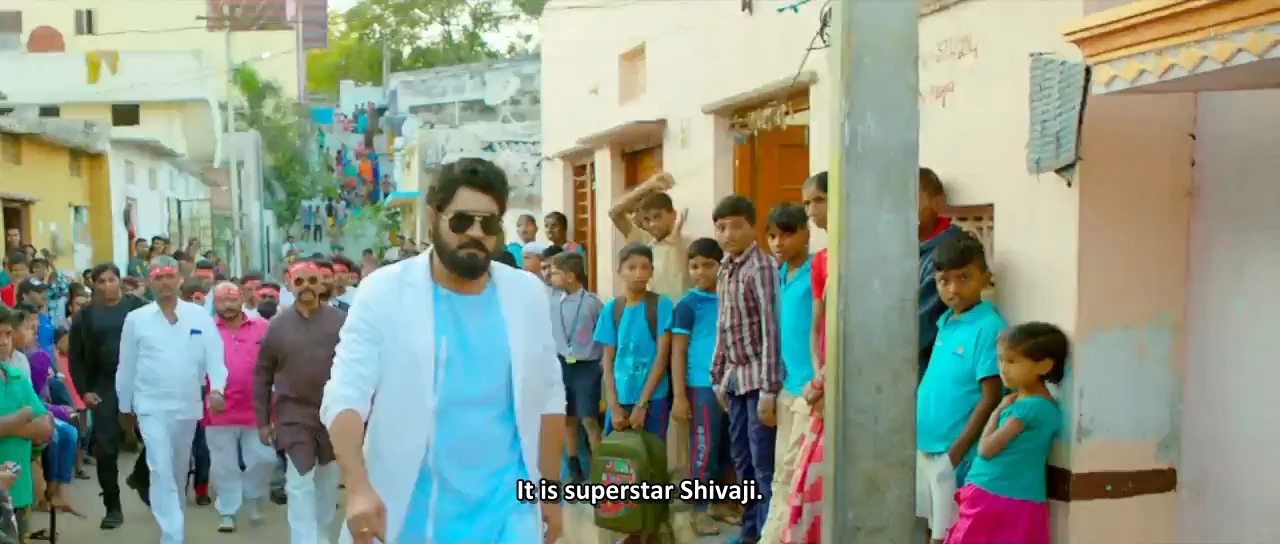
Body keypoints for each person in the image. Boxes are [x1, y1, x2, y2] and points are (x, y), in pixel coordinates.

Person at [322, 158, 565, 544]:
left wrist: (550, 491)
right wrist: (357, 485)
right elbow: (346, 395)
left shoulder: (526, 294)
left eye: (488, 224)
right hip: (413, 516)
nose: (476, 233)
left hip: (509, 516)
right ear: (433, 217)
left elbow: (550, 396)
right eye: (462, 221)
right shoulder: (384, 293)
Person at [118, 257, 229, 544]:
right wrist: (124, 407)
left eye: (169, 277)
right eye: (158, 278)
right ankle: (172, 535)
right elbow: (126, 366)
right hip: (150, 405)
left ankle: (174, 519)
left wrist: (217, 389)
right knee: (159, 466)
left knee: (178, 470)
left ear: (179, 279)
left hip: (187, 405)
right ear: (150, 282)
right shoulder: (137, 319)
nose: (165, 283)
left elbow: (215, 357)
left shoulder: (198, 316)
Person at [915, 233, 1004, 544]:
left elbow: (991, 397)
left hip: (955, 455)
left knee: (951, 535)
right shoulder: (946, 322)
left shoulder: (988, 327)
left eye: (964, 278)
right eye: (944, 281)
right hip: (927, 447)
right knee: (931, 528)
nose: (953, 289)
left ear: (985, 276)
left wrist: (955, 453)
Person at [946, 322, 1067, 544]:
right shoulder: (1043, 406)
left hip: (993, 495)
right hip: (1020, 496)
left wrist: (997, 411)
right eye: (1000, 359)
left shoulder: (1026, 409)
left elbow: (986, 450)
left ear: (1044, 366)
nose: (1003, 368)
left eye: (1012, 361)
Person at [256, 259, 346, 544]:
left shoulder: (341, 322)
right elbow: (262, 374)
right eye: (299, 281)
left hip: (332, 412)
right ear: (289, 286)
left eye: (312, 281)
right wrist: (262, 422)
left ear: (321, 285)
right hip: (292, 414)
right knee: (299, 480)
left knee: (328, 479)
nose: (306, 287)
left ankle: (320, 534)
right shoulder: (277, 326)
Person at [710, 195, 781, 544]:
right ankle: (749, 530)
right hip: (734, 379)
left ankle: (766, 533)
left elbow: (771, 327)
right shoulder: (724, 268)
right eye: (721, 227)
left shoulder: (762, 267)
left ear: (753, 227)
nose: (729, 234)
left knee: (762, 462)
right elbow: (723, 325)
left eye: (737, 226)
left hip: (758, 380)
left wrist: (769, 389)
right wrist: (717, 377)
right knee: (741, 460)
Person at [67, 263, 150, 529]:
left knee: (156, 439)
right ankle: (112, 507)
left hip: (141, 381)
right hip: (104, 385)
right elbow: (76, 358)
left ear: (119, 281)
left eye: (111, 280)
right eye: (100, 281)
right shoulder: (85, 316)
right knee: (106, 448)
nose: (106, 286)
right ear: (93, 285)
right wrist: (84, 391)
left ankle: (141, 477)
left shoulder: (140, 308)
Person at [759, 202, 816, 543]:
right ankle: (775, 535)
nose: (778, 243)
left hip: (810, 390)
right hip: (787, 387)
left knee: (797, 471)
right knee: (783, 470)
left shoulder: (817, 272)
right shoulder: (780, 275)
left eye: (787, 235)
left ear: (806, 234)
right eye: (772, 236)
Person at [784, 171, 831, 544]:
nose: (812, 210)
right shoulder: (822, 263)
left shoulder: (862, 256)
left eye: (818, 200)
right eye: (807, 202)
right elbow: (817, 330)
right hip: (821, 388)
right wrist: (820, 378)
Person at [205, 282, 274, 532]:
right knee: (223, 464)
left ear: (241, 299)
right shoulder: (205, 329)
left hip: (257, 406)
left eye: (232, 299)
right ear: (214, 303)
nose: (228, 305)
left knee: (263, 458)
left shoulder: (262, 326)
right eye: (222, 300)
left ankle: (254, 497)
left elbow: (275, 361)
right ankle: (228, 510)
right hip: (218, 408)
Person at [670, 237, 726, 536]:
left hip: (732, 384)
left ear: (721, 265)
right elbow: (677, 351)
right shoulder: (688, 305)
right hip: (701, 385)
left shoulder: (730, 296)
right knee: (703, 448)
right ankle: (699, 509)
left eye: (708, 265)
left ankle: (719, 503)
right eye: (694, 266)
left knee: (727, 448)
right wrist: (680, 396)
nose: (700, 272)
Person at [595, 242, 674, 437]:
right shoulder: (612, 308)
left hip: (654, 398)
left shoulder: (661, 304)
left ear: (652, 271)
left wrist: (642, 404)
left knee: (651, 452)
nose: (639, 273)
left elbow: (662, 357)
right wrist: (613, 405)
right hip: (620, 398)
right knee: (618, 454)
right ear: (619, 271)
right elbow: (608, 360)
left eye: (645, 267)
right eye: (631, 267)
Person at [547, 252, 603, 483]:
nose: (550, 276)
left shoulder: (592, 302)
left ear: (570, 276)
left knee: (588, 418)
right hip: (562, 364)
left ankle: (600, 469)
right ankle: (573, 464)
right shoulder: (551, 299)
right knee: (568, 417)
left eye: (555, 273)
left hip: (587, 366)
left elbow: (604, 334)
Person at [0, 304, 54, 539]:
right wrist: (23, 416)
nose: (4, 342)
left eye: (7, 334)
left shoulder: (16, 376)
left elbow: (45, 428)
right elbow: (35, 419)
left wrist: (7, 426)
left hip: (19, 494)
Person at [607, 172, 692, 302]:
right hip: (653, 312)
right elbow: (614, 213)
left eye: (657, 217)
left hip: (682, 313)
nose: (652, 224)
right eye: (647, 219)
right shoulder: (645, 243)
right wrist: (648, 186)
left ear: (673, 215)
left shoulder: (688, 244)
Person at [918, 167, 964, 380]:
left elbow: (917, 328)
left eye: (911, 199)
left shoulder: (948, 251)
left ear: (937, 202)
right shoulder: (903, 246)